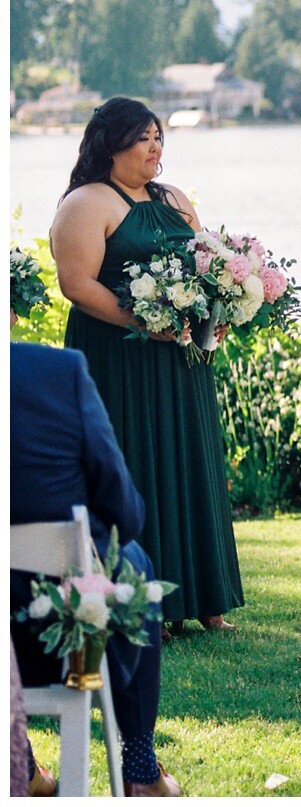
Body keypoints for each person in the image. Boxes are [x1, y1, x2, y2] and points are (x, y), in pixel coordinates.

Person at [50, 97, 243, 631]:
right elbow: (76, 284)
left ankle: (206, 598)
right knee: (137, 466)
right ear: (112, 146)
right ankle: (144, 602)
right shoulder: (87, 203)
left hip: (182, 359)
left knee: (190, 463)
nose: (156, 146)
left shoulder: (175, 199)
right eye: (144, 138)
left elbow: (207, 264)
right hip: (119, 358)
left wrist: (218, 311)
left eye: (159, 136)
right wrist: (143, 323)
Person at [10, 339, 181, 796]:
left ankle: (20, 760)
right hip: (58, 638)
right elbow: (124, 509)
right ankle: (141, 770)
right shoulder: (55, 371)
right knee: (131, 566)